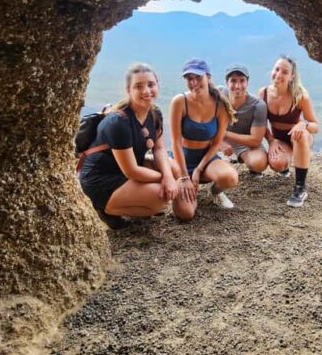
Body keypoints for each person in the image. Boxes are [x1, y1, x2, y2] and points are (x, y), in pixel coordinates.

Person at [77, 63, 180, 229]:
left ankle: (138, 201)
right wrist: (164, 179)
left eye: (151, 85)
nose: (147, 91)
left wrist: (168, 177)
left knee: (173, 169)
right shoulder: (119, 122)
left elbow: (159, 148)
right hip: (102, 178)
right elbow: (131, 171)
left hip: (125, 169)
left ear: (157, 85)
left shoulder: (154, 113)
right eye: (138, 86)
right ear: (129, 90)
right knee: (160, 200)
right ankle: (106, 210)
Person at [169, 59, 239, 218]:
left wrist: (199, 169)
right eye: (189, 79)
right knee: (185, 214)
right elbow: (175, 143)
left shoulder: (220, 105)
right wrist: (184, 176)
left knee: (230, 178)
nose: (193, 83)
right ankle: (180, 186)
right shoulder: (180, 102)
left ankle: (215, 192)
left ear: (208, 78)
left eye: (198, 77)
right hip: (183, 159)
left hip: (207, 160)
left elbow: (216, 143)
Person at [258, 56, 320, 208]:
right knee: (277, 164)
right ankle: (285, 166)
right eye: (277, 69)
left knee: (300, 135)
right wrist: (271, 141)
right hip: (280, 139)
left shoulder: (300, 96)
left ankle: (300, 187)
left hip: (301, 138)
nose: (279, 74)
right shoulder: (263, 94)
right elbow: (261, 124)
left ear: (292, 76)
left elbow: (315, 125)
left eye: (285, 72)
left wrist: (303, 125)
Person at [219, 63, 269, 174]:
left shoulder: (258, 105)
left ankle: (242, 156)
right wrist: (219, 142)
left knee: (259, 163)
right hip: (218, 138)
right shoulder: (218, 95)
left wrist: (225, 133)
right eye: (233, 81)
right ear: (226, 82)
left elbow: (255, 141)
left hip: (244, 142)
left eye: (242, 80)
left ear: (247, 82)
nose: (237, 86)